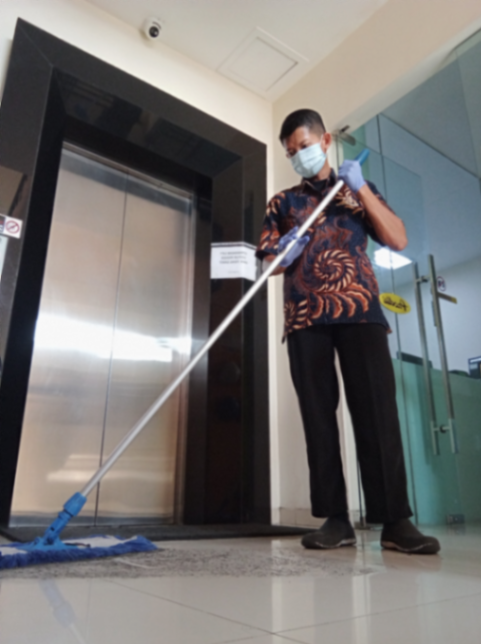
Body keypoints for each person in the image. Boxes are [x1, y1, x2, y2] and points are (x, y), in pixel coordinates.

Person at [256, 109, 440, 555]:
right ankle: (336, 519)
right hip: (305, 317)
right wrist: (284, 253)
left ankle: (395, 520)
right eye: (290, 152)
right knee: (318, 416)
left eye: (303, 146)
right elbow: (267, 264)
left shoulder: (358, 189)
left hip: (361, 312)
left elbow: (398, 239)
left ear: (324, 141)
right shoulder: (282, 202)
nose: (298, 156)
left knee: (377, 412)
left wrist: (360, 189)